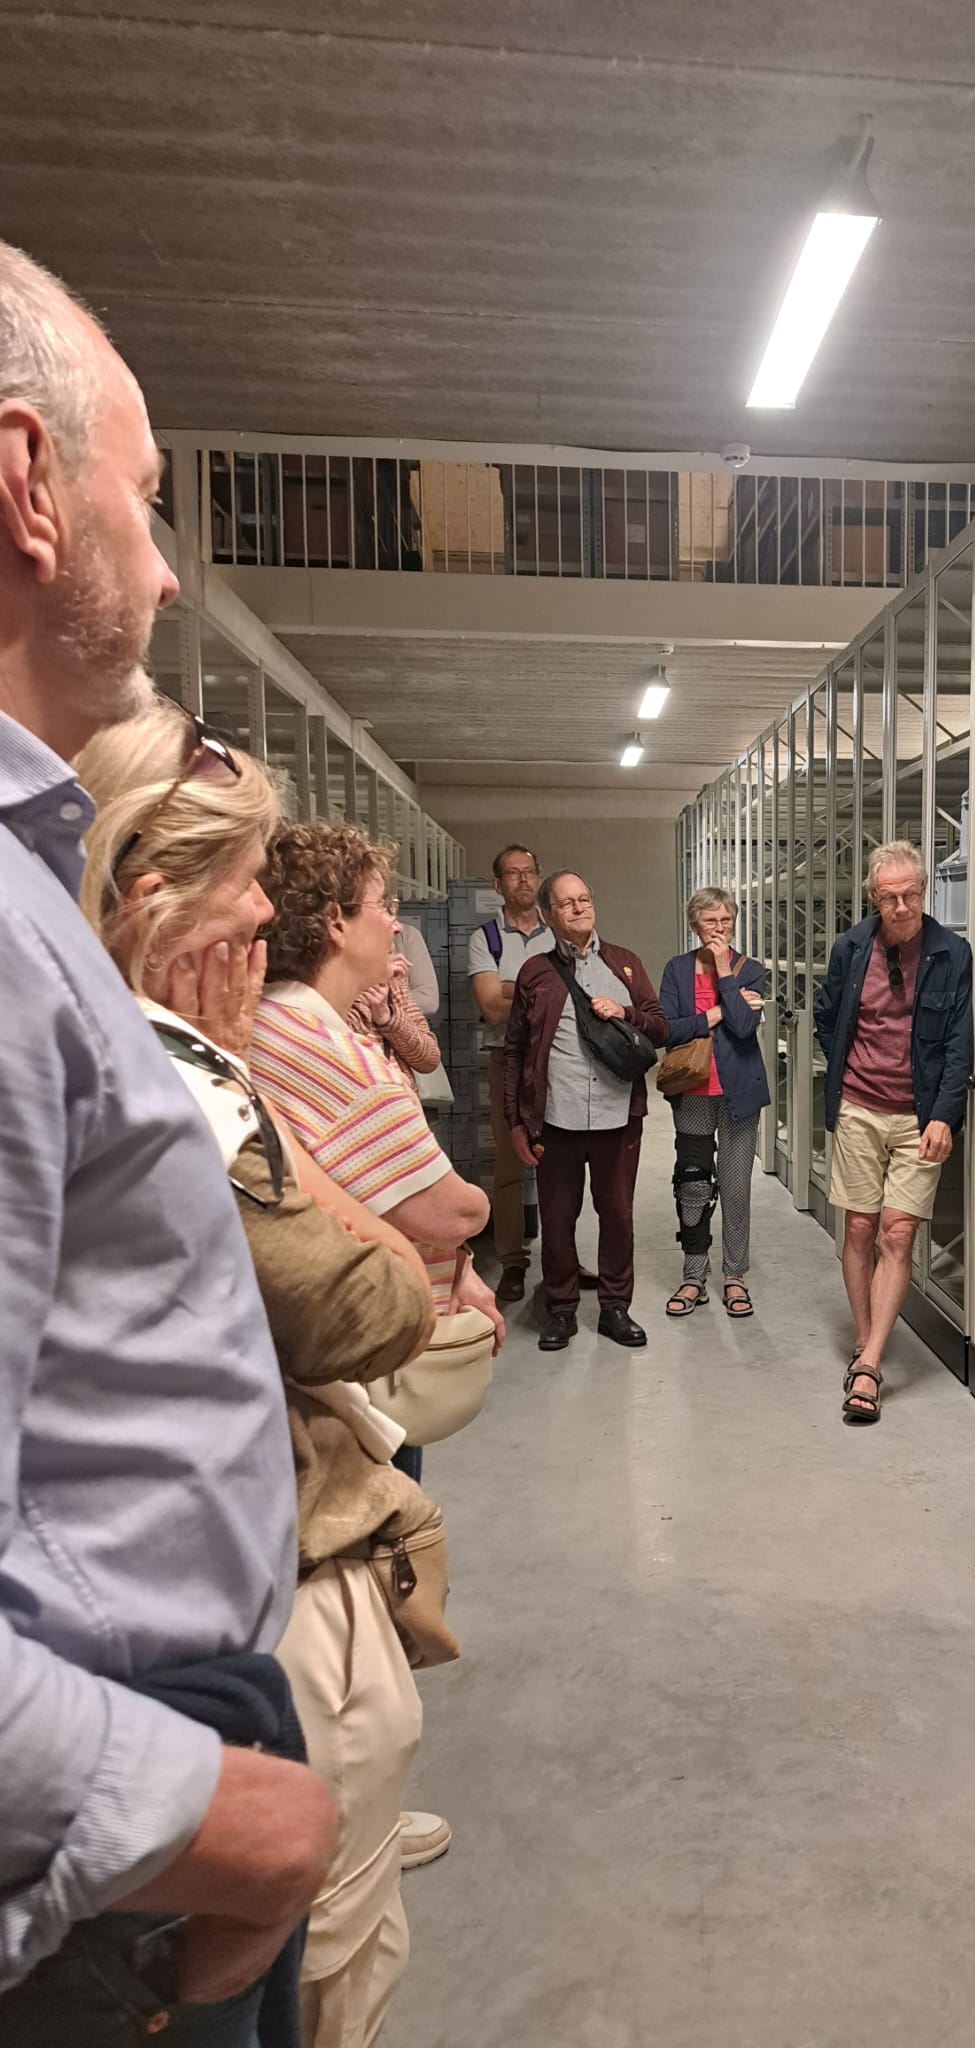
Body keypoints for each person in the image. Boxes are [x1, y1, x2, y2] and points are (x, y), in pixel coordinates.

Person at [0, 239, 336, 2040]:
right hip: (121, 1811)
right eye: (141, 493)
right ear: (26, 487)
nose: (169, 557)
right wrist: (235, 1817)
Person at [77, 700, 445, 2048]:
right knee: (311, 1951)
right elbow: (370, 1288)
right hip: (241, 1576)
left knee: (318, 1921)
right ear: (151, 896)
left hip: (249, 1560)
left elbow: (420, 1116)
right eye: (243, 881)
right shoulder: (171, 1073)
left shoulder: (172, 1057)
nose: (264, 919)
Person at [249, 820, 504, 1875]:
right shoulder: (303, 1030)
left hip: (371, 1337)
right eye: (379, 903)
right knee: (363, 1579)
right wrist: (471, 1221)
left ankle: (358, 1795)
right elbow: (440, 1199)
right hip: (349, 1368)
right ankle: (351, 1812)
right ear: (333, 921)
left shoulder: (318, 1021)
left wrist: (459, 1259)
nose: (395, 920)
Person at [814, 840, 972, 1425]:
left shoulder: (952, 953)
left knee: (897, 1233)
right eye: (889, 897)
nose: (902, 906)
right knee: (858, 1226)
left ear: (924, 893)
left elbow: (960, 1042)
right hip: (858, 1106)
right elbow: (830, 1017)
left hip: (918, 1114)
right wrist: (845, 1072)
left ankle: (870, 1363)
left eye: (911, 895)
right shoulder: (851, 948)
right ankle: (866, 1337)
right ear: (873, 897)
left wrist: (943, 1115)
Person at [503, 870, 667, 1352]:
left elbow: (659, 1027)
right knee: (557, 1218)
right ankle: (561, 1307)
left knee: (617, 1215)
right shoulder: (535, 973)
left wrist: (625, 1014)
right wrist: (516, 1121)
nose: (579, 908)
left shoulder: (626, 965)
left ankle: (616, 1306)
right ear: (550, 915)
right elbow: (514, 1050)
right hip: (557, 1118)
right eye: (567, 903)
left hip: (618, 1117)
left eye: (585, 899)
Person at [658, 887, 769, 1319]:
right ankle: (693, 1273)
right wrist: (720, 1011)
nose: (719, 929)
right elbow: (668, 1029)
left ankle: (735, 1275)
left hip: (739, 1095)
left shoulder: (750, 969)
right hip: (693, 1092)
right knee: (693, 1185)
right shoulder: (676, 969)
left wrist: (724, 970)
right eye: (711, 922)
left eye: (726, 921)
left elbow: (744, 1028)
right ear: (694, 925)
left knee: (736, 1187)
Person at [466, 842, 554, 1301]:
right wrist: (538, 990)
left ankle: (561, 1257)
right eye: (513, 874)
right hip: (507, 1061)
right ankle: (513, 1262)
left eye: (530, 871)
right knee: (508, 1164)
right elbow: (489, 1008)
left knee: (560, 1161)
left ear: (538, 878)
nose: (523, 880)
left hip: (557, 1062)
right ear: (497, 885)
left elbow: (570, 1002)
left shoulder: (557, 932)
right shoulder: (486, 938)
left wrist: (511, 986)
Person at [347, 947, 442, 1096]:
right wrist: (368, 983)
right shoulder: (328, 983)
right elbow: (334, 1044)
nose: (397, 927)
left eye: (390, 951)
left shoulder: (394, 982)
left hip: (400, 1105)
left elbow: (429, 1059)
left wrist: (387, 1017)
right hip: (357, 1105)